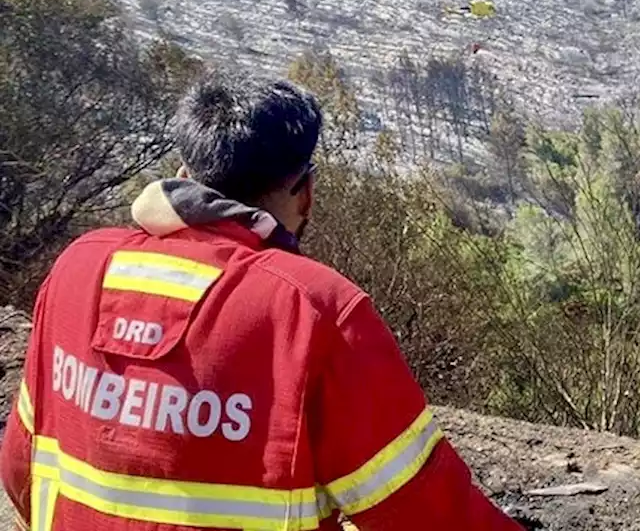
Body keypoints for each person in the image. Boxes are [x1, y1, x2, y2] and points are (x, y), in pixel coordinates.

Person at [0, 78, 523, 530]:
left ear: (184, 169)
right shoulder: (314, 311)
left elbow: (21, 464)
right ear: (306, 193)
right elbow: (430, 515)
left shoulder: (77, 268)